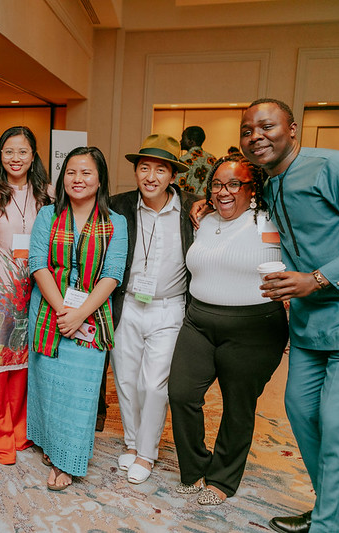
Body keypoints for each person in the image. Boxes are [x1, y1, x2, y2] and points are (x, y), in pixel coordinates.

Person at [237, 99, 339, 533]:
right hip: (308, 326)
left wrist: (318, 279)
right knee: (302, 413)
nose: (256, 136)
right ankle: (336, 511)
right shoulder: (267, 182)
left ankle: (328, 526)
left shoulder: (334, 167)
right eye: (247, 130)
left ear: (292, 128)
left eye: (266, 126)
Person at [168, 154, 288, 506]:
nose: (224, 191)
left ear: (252, 188)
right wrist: (205, 204)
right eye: (217, 184)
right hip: (199, 320)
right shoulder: (202, 219)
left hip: (253, 327)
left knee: (238, 405)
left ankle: (222, 478)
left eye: (234, 183)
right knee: (181, 393)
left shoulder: (272, 218)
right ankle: (194, 468)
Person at [27, 146, 126, 491]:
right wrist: (61, 310)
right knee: (49, 385)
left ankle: (67, 460)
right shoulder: (47, 216)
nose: (78, 179)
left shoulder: (116, 223)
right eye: (71, 172)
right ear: (62, 177)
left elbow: (112, 276)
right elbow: (37, 263)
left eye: (86, 173)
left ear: (100, 180)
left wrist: (79, 314)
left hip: (91, 316)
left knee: (78, 393)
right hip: (48, 312)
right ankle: (51, 446)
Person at [109, 134, 197, 484]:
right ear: (135, 171)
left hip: (169, 309)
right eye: (144, 168)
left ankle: (147, 453)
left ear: (173, 176)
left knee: (154, 385)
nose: (151, 176)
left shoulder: (193, 208)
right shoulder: (119, 206)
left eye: (160, 170)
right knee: (126, 380)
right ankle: (132, 444)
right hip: (127, 304)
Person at [0, 126, 50, 465]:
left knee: (25, 363)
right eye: (9, 151)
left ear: (33, 155)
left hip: (35, 289)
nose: (15, 158)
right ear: (0, 155)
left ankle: (20, 429)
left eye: (22, 151)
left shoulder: (47, 194)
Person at [176, 126, 216, 195]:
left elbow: (178, 188)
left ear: (191, 141)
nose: (180, 141)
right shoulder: (212, 159)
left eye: (183, 138)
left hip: (187, 203)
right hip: (205, 204)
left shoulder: (184, 160)